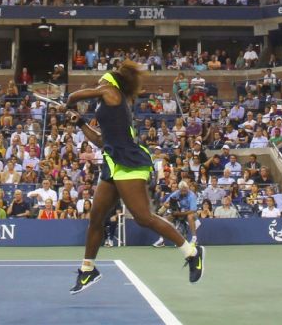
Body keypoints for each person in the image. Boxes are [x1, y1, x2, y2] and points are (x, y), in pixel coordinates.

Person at [65, 61, 204, 294]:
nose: (99, 82)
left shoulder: (110, 91)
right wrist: (79, 121)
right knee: (96, 218)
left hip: (129, 163)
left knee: (143, 217)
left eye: (102, 79)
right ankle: (88, 269)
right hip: (113, 163)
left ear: (110, 81)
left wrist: (68, 103)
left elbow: (75, 95)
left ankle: (192, 252)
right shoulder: (108, 107)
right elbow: (101, 141)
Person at [154, 180, 199, 246]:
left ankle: (194, 239)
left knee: (190, 216)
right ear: (179, 189)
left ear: (187, 188)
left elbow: (193, 210)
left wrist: (179, 213)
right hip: (178, 212)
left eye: (185, 190)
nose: (183, 192)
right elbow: (165, 203)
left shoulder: (191, 195)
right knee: (165, 220)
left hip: (189, 213)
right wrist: (169, 206)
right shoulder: (176, 193)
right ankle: (161, 240)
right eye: (182, 191)